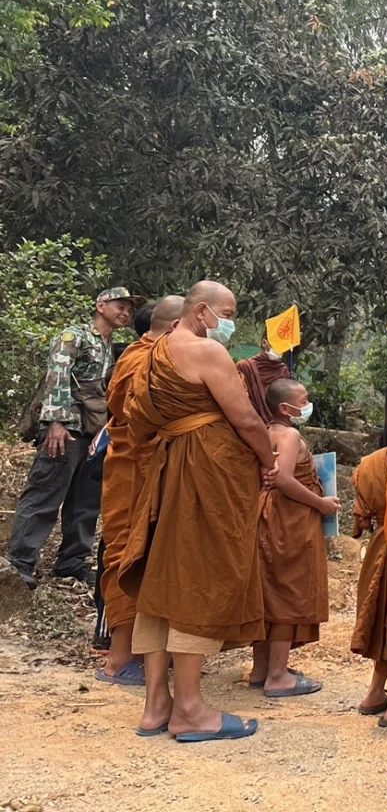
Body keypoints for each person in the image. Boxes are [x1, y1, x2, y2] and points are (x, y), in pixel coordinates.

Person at [117, 280, 277, 742]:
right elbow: (246, 418)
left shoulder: (155, 350)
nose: (230, 323)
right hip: (206, 469)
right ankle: (189, 708)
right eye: (228, 314)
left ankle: (156, 705)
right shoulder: (207, 351)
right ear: (202, 311)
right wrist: (268, 462)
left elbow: (137, 418)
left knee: (163, 577)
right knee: (200, 575)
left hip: (168, 466)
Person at [9, 286, 144, 590]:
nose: (125, 312)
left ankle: (71, 562)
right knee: (45, 494)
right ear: (100, 305)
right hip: (66, 431)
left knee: (86, 500)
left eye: (129, 309)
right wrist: (56, 423)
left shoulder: (112, 347)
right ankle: (21, 562)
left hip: (94, 433)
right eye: (120, 306)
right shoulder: (75, 336)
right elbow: (57, 377)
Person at [96, 295, 184, 685]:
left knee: (154, 559)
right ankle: (118, 659)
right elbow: (138, 415)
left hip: (153, 471)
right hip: (131, 470)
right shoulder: (140, 359)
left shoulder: (156, 355)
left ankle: (150, 653)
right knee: (125, 556)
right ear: (177, 325)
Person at [248, 378, 334, 697]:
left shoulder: (263, 432)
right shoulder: (290, 434)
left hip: (266, 515)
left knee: (268, 590)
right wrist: (321, 504)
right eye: (304, 400)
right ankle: (278, 676)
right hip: (289, 520)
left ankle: (261, 669)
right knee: (288, 590)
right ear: (285, 408)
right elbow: (284, 479)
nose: (308, 404)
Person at [352, 406, 387, 729]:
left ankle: (375, 693)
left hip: (379, 547)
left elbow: (361, 519)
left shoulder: (369, 463)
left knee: (384, 618)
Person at [237, 335, 291, 423]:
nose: (280, 349)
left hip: (276, 424)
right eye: (277, 345)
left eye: (284, 346)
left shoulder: (283, 370)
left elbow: (284, 401)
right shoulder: (245, 367)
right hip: (248, 421)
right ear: (264, 343)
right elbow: (237, 399)